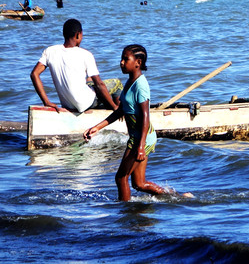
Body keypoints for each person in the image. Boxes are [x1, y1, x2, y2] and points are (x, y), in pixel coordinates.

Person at [83, 44, 193, 201]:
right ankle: (178, 197)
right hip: (138, 137)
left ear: (138, 62)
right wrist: (97, 128)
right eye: (121, 58)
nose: (121, 62)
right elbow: (121, 111)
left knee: (121, 178)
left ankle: (125, 212)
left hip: (142, 138)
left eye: (125, 59)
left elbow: (145, 117)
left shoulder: (141, 85)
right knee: (139, 184)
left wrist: (140, 146)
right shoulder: (129, 82)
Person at [31, 18, 120, 113]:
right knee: (117, 83)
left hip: (67, 105)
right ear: (78, 35)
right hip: (86, 103)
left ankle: (106, 109)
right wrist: (114, 106)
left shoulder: (50, 51)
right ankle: (116, 114)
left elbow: (34, 74)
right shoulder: (86, 54)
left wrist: (46, 102)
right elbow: (99, 84)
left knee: (89, 80)